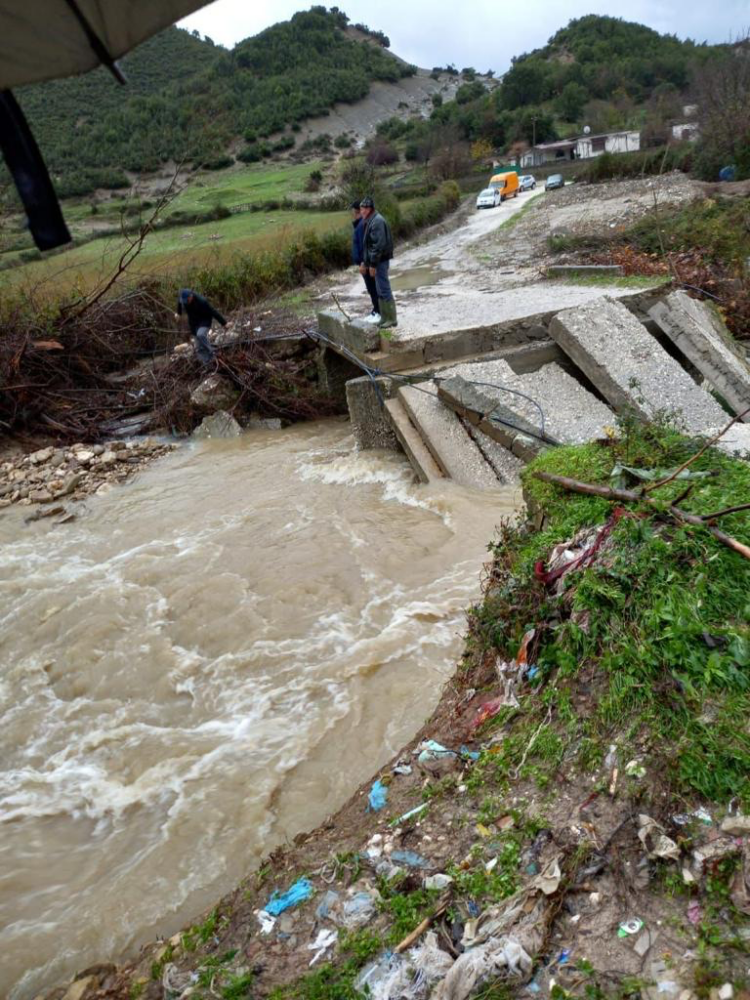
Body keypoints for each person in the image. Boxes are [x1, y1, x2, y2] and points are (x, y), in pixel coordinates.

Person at [360, 196, 397, 330]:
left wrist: (373, 264)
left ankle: (391, 319)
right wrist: (366, 262)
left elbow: (378, 246)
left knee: (384, 288)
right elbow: (369, 246)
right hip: (377, 261)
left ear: (369, 209)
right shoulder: (372, 220)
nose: (361, 212)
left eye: (363, 209)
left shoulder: (376, 222)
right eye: (360, 209)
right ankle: (384, 318)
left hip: (380, 261)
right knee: (380, 290)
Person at [175, 288, 227, 364]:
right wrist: (178, 313)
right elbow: (180, 303)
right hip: (193, 323)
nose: (186, 303)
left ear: (191, 296)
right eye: (184, 301)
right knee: (199, 346)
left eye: (187, 300)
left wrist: (224, 323)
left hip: (204, 321)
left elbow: (213, 312)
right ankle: (206, 363)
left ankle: (213, 353)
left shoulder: (202, 301)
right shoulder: (183, 300)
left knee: (201, 334)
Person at [351, 200, 380, 324]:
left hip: (367, 263)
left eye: (353, 211)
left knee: (374, 288)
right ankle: (376, 310)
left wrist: (363, 262)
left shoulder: (363, 225)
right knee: (371, 288)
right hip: (364, 263)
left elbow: (366, 246)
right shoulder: (359, 224)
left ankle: (379, 313)